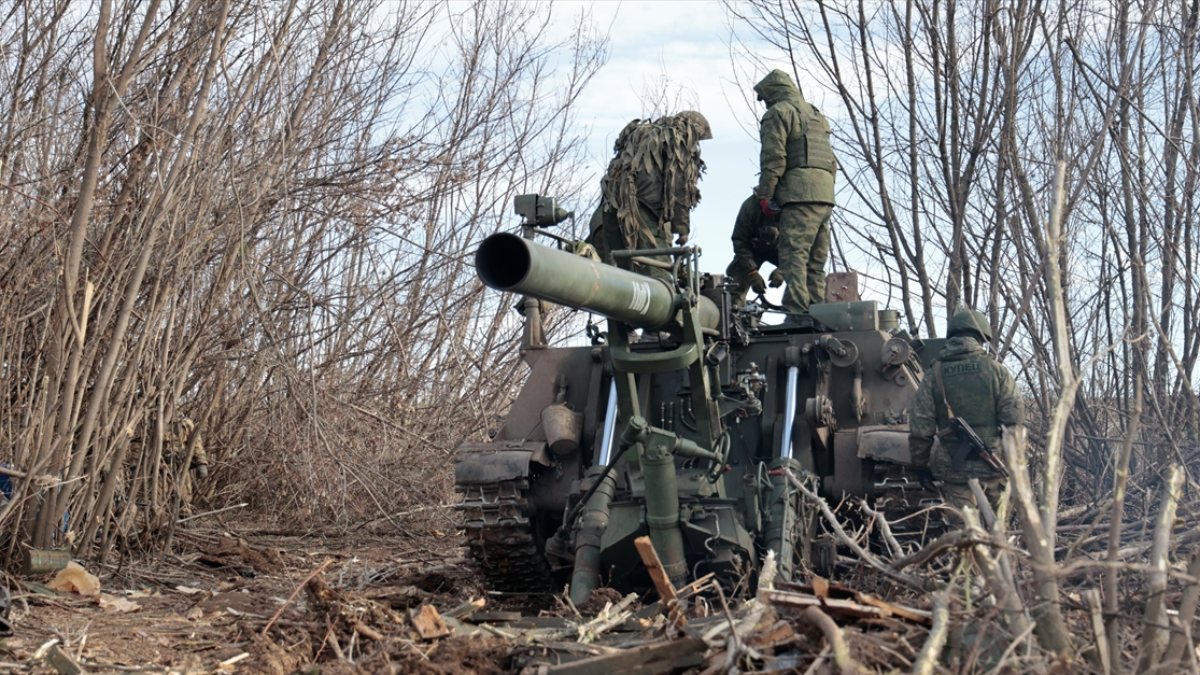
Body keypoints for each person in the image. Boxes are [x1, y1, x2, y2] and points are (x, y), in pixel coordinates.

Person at [909, 309, 1024, 520]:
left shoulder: (934, 374)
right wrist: (1014, 463)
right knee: (998, 529)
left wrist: (920, 465)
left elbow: (921, 425)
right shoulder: (997, 371)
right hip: (993, 465)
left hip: (955, 467)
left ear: (952, 336)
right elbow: (1014, 420)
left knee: (964, 532)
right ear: (982, 338)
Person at [587, 111, 711, 283]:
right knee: (658, 277)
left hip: (612, 209)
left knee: (622, 277)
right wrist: (682, 229)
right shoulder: (678, 140)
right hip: (643, 213)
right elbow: (680, 189)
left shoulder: (642, 134)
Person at [752, 69, 837, 316]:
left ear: (773, 94)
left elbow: (774, 159)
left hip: (799, 194)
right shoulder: (816, 115)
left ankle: (797, 313)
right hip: (825, 195)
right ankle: (818, 313)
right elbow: (831, 162)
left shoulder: (778, 113)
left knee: (794, 256)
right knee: (815, 261)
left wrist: (765, 195)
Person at [725, 194, 785, 306]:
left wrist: (783, 270)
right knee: (736, 282)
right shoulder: (749, 207)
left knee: (801, 272)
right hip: (752, 248)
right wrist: (752, 273)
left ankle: (800, 314)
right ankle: (733, 314)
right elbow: (739, 241)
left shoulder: (793, 209)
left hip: (783, 250)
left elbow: (800, 249)